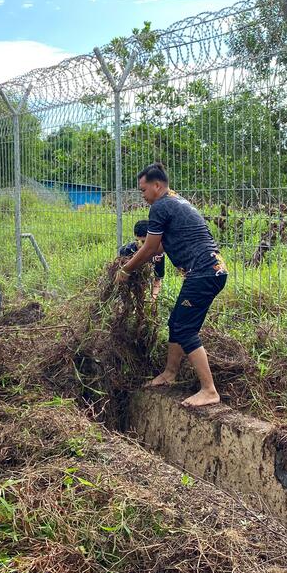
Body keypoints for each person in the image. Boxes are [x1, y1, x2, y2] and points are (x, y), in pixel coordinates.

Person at [115, 163, 227, 408]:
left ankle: (209, 390)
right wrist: (138, 253)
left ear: (157, 186)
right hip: (211, 271)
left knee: (185, 329)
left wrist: (126, 269)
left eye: (143, 190)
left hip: (203, 273)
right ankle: (169, 373)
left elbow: (151, 248)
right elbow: (163, 244)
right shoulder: (176, 201)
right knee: (176, 322)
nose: (142, 196)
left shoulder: (160, 206)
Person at [119, 219, 164, 302]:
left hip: (144, 283)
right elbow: (122, 277)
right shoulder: (126, 250)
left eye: (143, 242)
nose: (140, 245)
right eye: (137, 241)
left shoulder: (158, 254)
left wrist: (153, 299)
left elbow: (157, 280)